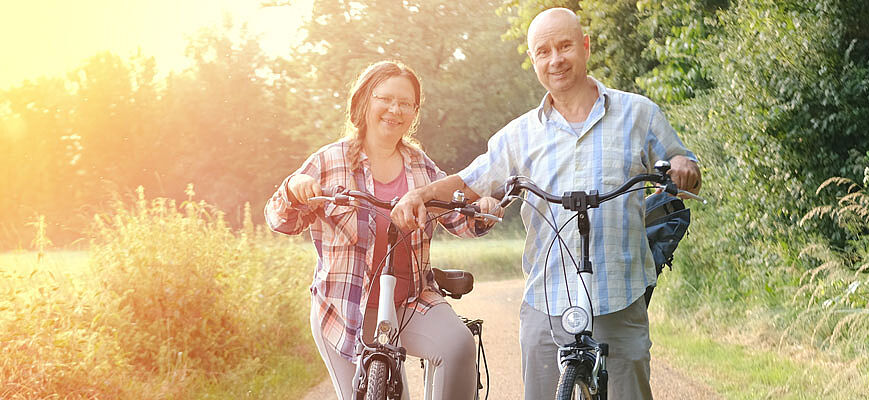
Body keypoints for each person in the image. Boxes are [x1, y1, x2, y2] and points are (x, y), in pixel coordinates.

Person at [391, 8, 701, 400]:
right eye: (543, 51)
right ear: (534, 60)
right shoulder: (519, 134)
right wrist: (420, 194)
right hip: (547, 295)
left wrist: (682, 166)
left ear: (585, 47)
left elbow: (683, 168)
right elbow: (471, 181)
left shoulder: (639, 113)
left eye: (565, 46)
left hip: (619, 293)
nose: (555, 59)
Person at [265, 60, 501, 400]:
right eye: (386, 99)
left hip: (410, 300)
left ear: (414, 113)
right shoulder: (329, 162)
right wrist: (293, 188)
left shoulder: (421, 166)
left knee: (458, 344)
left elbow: (458, 218)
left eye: (406, 103)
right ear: (364, 101)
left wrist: (482, 210)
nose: (395, 110)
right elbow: (280, 219)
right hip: (345, 307)